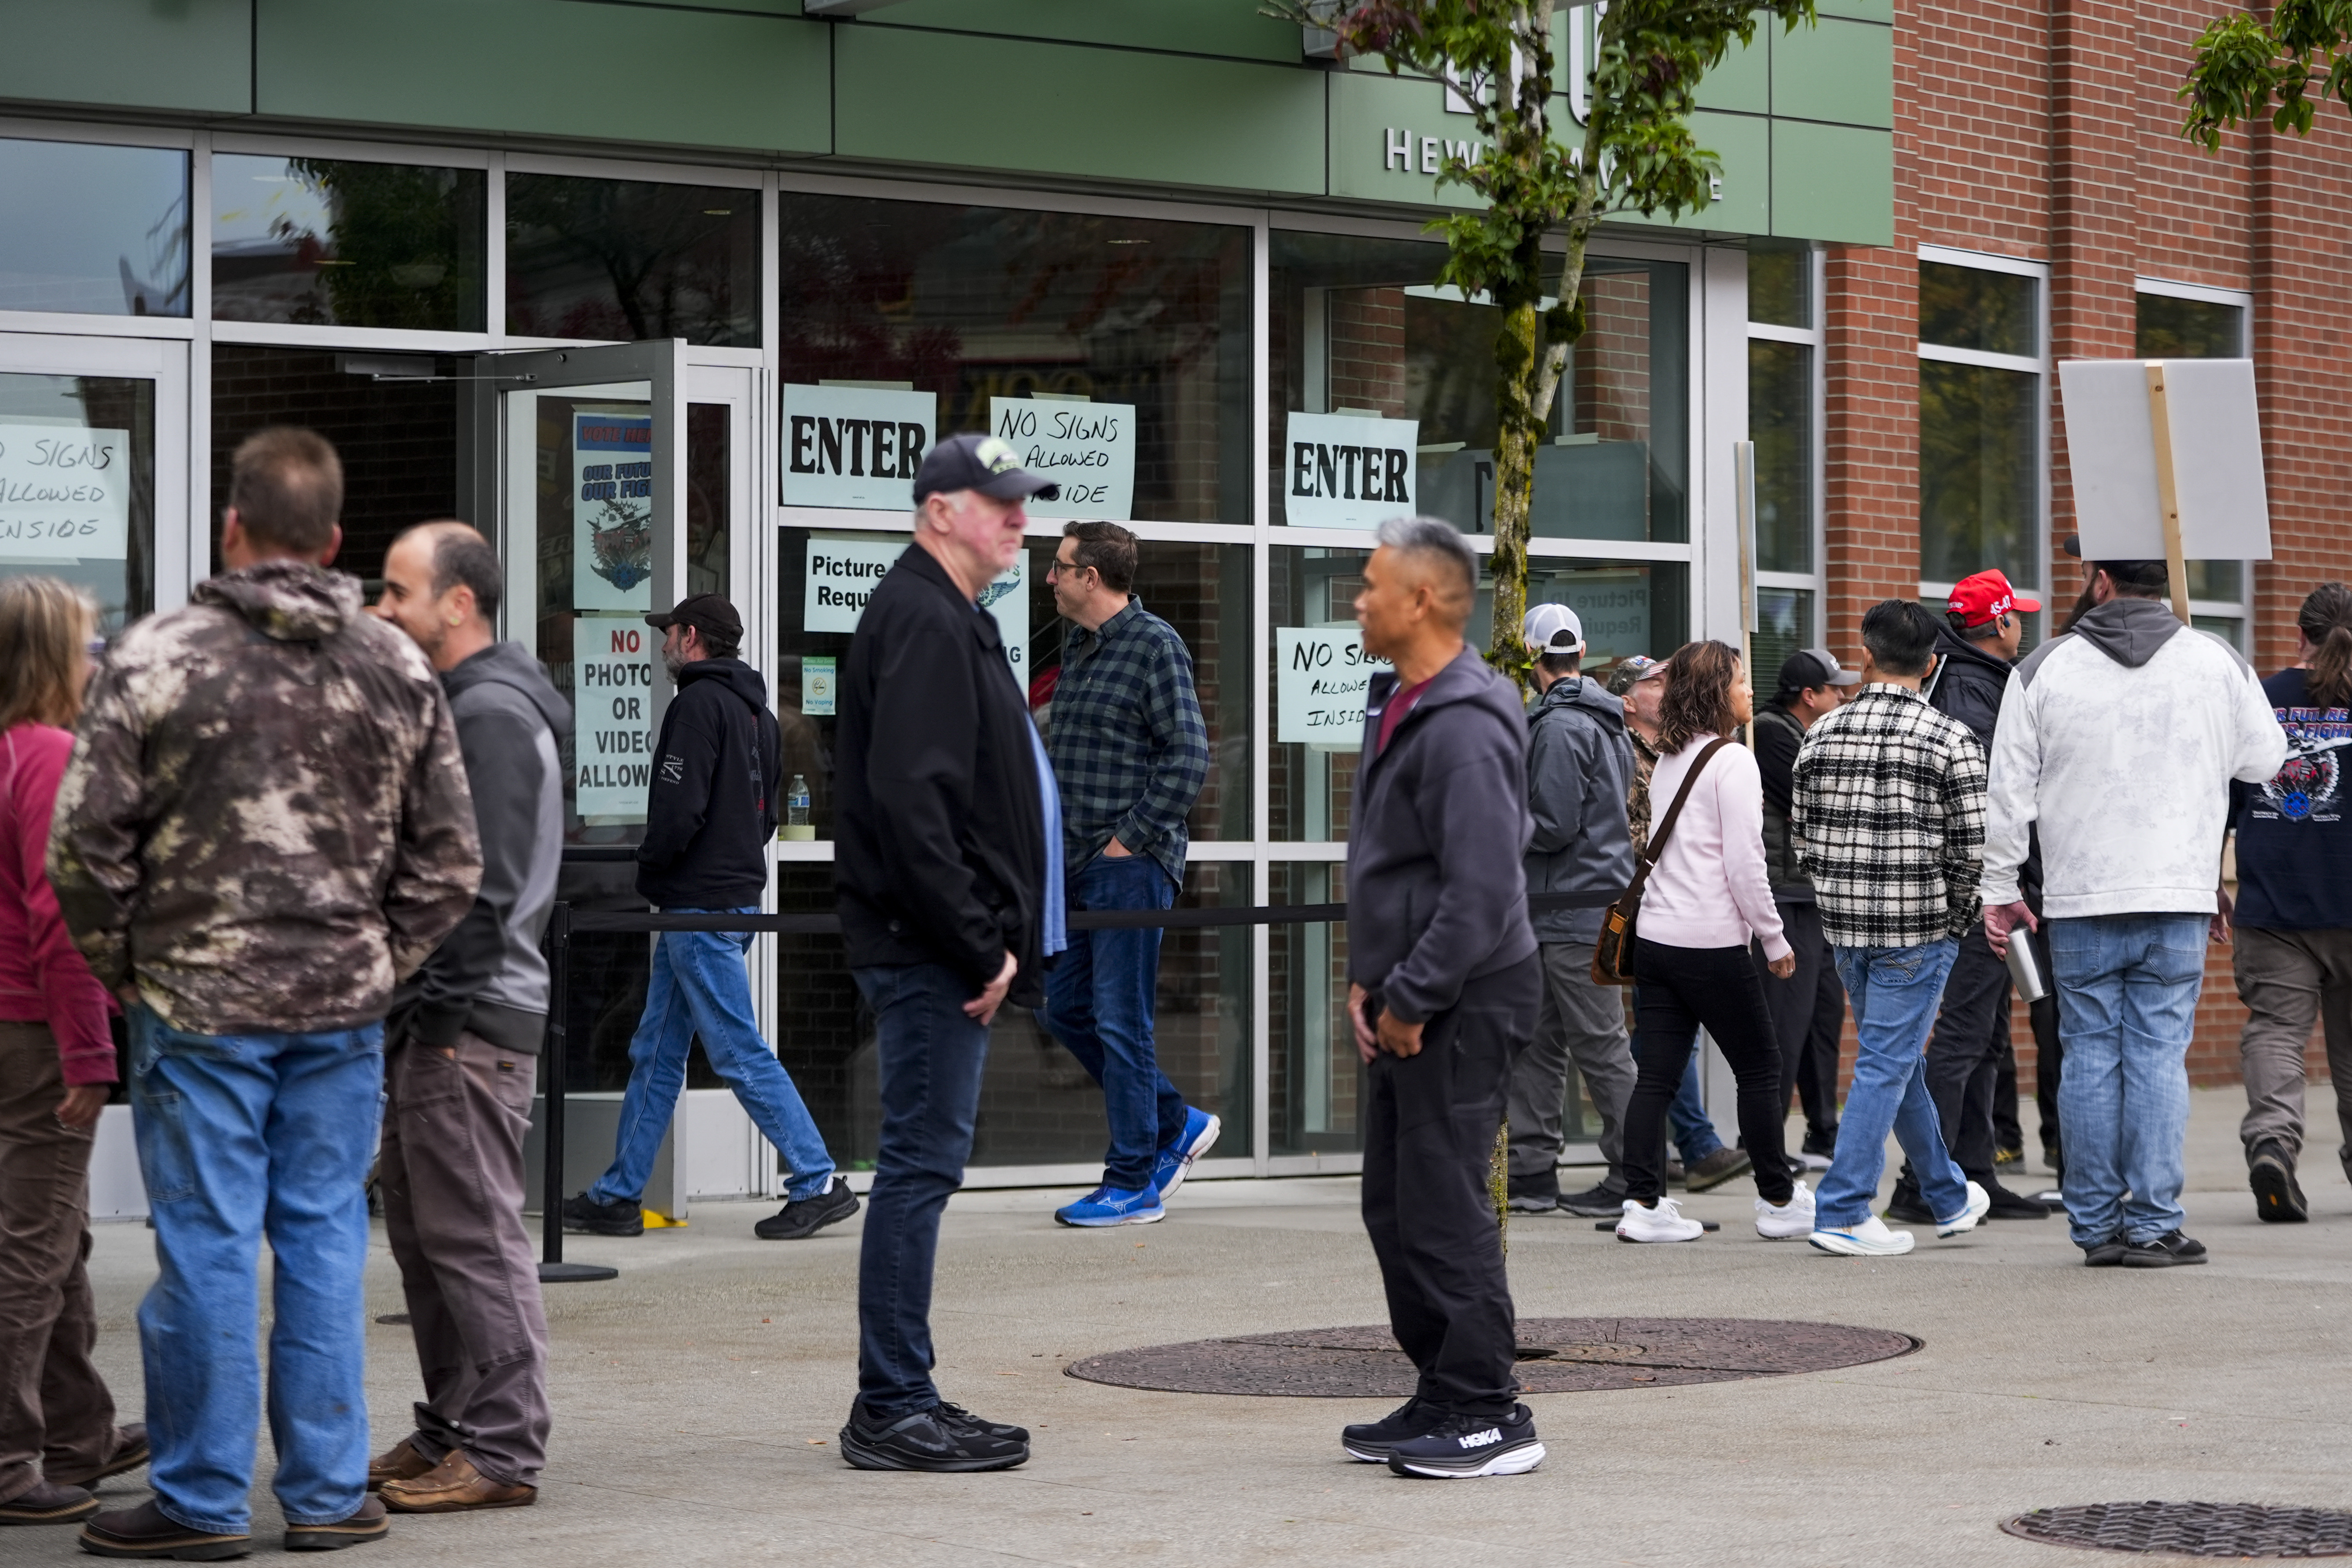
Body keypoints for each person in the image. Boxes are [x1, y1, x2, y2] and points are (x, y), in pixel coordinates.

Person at [50, 428, 481, 1557]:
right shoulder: (397, 666)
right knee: (328, 1241)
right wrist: (382, 962)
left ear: (233, 526)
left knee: (203, 1245)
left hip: (198, 1005)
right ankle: (328, 1492)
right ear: (337, 539)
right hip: (340, 1010)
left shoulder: (155, 655)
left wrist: (129, 970)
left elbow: (82, 848)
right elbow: (452, 861)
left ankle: (199, 1501)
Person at [833, 433, 1059, 1472]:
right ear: (938, 513)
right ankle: (889, 1404)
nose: (1019, 517)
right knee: (918, 1170)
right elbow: (915, 805)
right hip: (931, 950)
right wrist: (980, 943)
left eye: (1023, 503)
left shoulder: (947, 614)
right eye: (997, 502)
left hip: (939, 945)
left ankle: (906, 1387)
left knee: (924, 1168)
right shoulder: (923, 617)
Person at [1982, 555, 2285, 1267]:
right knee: (2155, 1055)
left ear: (2099, 580)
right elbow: (2265, 761)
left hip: (2081, 896)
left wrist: (1998, 889)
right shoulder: (2214, 660)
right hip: (2175, 892)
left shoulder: (2044, 668)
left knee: (2087, 1054)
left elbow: (2006, 792)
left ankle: (2093, 1225)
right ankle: (2152, 1221)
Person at [1335, 517, 1545, 1479]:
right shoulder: (1403, 701)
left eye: (1372, 584)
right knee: (1396, 1204)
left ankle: (1488, 1413)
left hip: (1464, 998)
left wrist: (1411, 999)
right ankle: (1441, 1388)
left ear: (1420, 599)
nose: (1358, 598)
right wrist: (1367, 981)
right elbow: (1400, 870)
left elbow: (1481, 889)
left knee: (1443, 1203)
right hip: (1413, 992)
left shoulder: (1462, 719)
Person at [366, 523, 568, 1513]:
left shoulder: (487, 711)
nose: (385, 608)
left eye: (399, 591)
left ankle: (499, 1449)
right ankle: (452, 1428)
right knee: (428, 1234)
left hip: (468, 1025)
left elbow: (477, 890)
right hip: (445, 1020)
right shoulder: (470, 701)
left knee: (474, 1237)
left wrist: (438, 1022)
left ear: (458, 604)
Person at [564, 592, 858, 1243]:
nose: (662, 643)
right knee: (657, 1049)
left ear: (690, 636)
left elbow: (677, 810)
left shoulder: (695, 703)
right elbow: (769, 812)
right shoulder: (759, 710)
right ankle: (618, 1194)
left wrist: (650, 872)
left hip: (697, 907)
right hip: (725, 900)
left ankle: (817, 1180)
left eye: (668, 633)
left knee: (736, 1050)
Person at [0, 578, 142, 1530]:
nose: (99, 665)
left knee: (58, 1235)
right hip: (37, 1033)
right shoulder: (50, 755)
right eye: (89, 649)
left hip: (11, 1022)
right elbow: (65, 919)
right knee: (33, 1246)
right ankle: (12, 1462)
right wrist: (92, 1056)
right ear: (54, 660)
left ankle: (79, 1428)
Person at [1793, 599, 1992, 1257]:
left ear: (1867, 656)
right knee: (1887, 1061)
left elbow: (1804, 838)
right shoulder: (1950, 737)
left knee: (1894, 1059)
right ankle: (1846, 1207)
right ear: (1934, 663)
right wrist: (1957, 919)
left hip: (1847, 925)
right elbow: (1971, 846)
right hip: (1919, 924)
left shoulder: (1820, 733)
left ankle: (1948, 1193)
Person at [1037, 520, 1219, 1227]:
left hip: (1129, 866)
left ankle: (1133, 1182)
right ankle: (1174, 1121)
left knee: (1122, 1020)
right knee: (1065, 1009)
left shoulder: (1155, 645)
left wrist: (1127, 842)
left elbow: (1190, 756)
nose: (1049, 578)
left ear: (1093, 577)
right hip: (1077, 865)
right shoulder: (1077, 646)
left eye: (1060, 567)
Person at [1613, 640, 1810, 1245]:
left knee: (1656, 1075)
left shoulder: (1672, 756)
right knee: (1761, 1067)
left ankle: (1642, 1203)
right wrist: (1775, 940)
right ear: (1716, 694)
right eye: (1741, 681)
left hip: (1658, 940)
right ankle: (1779, 1199)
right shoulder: (1733, 761)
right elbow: (1746, 865)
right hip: (1710, 943)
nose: (1750, 690)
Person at [1882, 570, 2053, 1224]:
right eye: (2019, 617)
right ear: (2003, 624)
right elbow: (1993, 805)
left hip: (1979, 888)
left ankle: (1972, 1172)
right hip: (1981, 892)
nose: (2024, 628)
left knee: (1984, 1037)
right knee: (1961, 1036)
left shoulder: (1969, 682)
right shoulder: (1975, 695)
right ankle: (1922, 1183)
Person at [1507, 604, 1639, 1219]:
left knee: (1596, 1045)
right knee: (1541, 1043)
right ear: (1581, 652)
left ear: (1532, 657)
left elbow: (1553, 824)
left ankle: (1633, 1173)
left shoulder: (1559, 727)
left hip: (1566, 909)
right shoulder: (1604, 718)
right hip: (1579, 905)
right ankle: (1532, 1172)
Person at [2229, 582, 2352, 1222]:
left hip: (2275, 903)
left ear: (2297, 635)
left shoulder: (2257, 699)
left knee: (2277, 1032)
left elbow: (2221, 801)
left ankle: (2273, 1144)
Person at [1606, 655, 1750, 1193]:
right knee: (1661, 1038)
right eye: (1652, 682)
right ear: (1627, 702)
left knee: (1662, 1038)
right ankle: (1688, 1147)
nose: (1665, 687)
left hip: (1669, 904)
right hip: (1647, 903)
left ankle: (1672, 1151)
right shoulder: (1625, 752)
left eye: (1669, 678)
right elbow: (1625, 831)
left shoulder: (1669, 750)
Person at [1753, 648, 1860, 1168]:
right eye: (1835, 688)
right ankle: (1766, 1145)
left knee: (1822, 1018)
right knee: (1785, 1022)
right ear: (1808, 695)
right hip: (1783, 899)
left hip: (1815, 898)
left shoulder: (1815, 736)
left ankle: (1822, 1131)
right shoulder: (1771, 732)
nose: (1844, 696)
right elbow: (1812, 802)